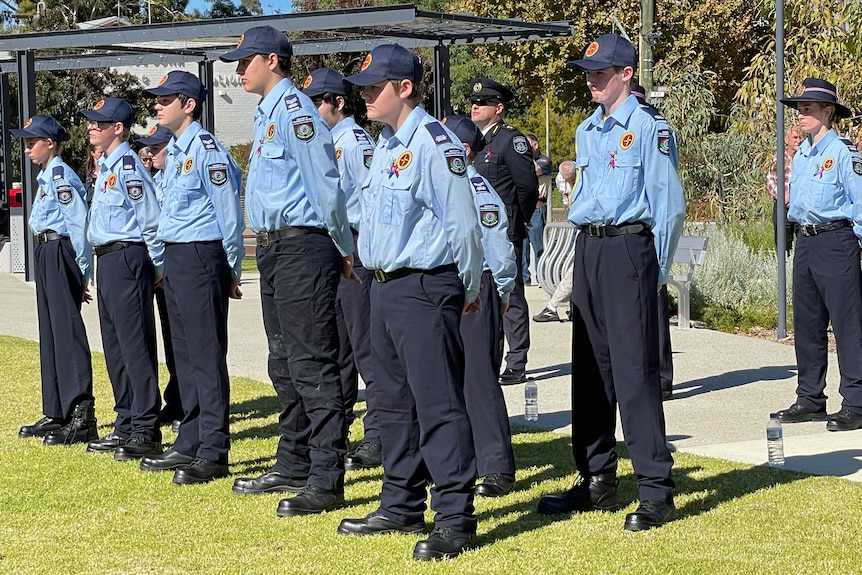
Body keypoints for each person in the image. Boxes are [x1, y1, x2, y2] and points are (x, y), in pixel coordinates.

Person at [337, 44, 484, 561]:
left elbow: (463, 222)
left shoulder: (432, 142)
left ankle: (455, 517)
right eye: (363, 88)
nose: (366, 96)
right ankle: (400, 502)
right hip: (383, 286)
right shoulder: (384, 143)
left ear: (405, 88)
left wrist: (467, 287)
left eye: (376, 87)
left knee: (437, 402)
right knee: (393, 403)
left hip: (425, 285)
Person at [537, 34, 685, 531]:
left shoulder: (648, 128)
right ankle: (596, 477)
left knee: (633, 372)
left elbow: (669, 207)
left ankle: (656, 489)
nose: (592, 78)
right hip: (590, 248)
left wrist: (655, 274)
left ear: (626, 73)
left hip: (629, 250)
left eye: (602, 71)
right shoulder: (586, 130)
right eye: (589, 71)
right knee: (591, 370)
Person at [220, 26, 355, 511]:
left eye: (245, 61)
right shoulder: (266, 115)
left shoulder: (297, 112)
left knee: (312, 362)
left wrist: (342, 249)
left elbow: (325, 187)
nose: (238, 71)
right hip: (276, 248)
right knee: (282, 361)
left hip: (304, 247)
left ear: (272, 61)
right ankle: (294, 460)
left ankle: (325, 478)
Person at [137, 71, 245, 484]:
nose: (158, 105)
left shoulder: (206, 149)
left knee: (206, 353)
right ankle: (190, 439)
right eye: (158, 98)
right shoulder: (179, 151)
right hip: (179, 258)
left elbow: (229, 214)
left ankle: (214, 449)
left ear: (189, 104)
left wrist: (231, 268)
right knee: (184, 356)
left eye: (167, 99)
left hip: (203, 256)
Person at [301, 67, 381, 471]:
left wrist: (360, 254)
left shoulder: (353, 143)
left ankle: (379, 434)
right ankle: (342, 427)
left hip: (358, 251)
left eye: (319, 101)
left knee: (367, 349)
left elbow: (371, 202)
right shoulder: (327, 141)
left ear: (338, 103)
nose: (313, 109)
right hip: (336, 250)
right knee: (340, 348)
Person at [776, 78, 862, 432]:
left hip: (836, 241)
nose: (801, 115)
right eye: (800, 109)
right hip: (807, 242)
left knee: (847, 325)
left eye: (809, 108)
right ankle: (810, 398)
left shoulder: (843, 152)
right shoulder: (805, 153)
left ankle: (856, 402)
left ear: (828, 112)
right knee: (807, 325)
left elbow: (859, 205)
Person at [81, 97, 164, 461]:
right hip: (108, 259)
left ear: (119, 128)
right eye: (90, 122)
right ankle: (126, 420)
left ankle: (145, 427)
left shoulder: (129, 165)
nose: (91, 127)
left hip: (129, 256)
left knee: (135, 345)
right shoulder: (107, 167)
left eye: (100, 122)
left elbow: (150, 218)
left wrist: (158, 266)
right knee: (114, 346)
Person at [442, 114, 518, 498]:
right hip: (446, 284)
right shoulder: (443, 184)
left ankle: (497, 467)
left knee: (478, 379)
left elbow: (499, 249)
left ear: (465, 151)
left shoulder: (477, 188)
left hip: (480, 285)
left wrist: (502, 292)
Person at [14, 115, 96, 446]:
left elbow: (78, 225)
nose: (27, 148)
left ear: (50, 144)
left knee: (66, 332)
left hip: (61, 252)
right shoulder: (47, 176)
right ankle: (57, 409)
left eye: (32, 142)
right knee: (49, 332)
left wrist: (82, 271)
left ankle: (81, 412)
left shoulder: (61, 176)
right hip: (46, 252)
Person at [468, 77, 538, 385]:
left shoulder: (511, 140)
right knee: (483, 296)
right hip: (477, 234)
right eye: (473, 102)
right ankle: (488, 357)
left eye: (482, 103)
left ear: (499, 108)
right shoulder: (474, 142)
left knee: (511, 296)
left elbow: (526, 186)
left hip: (504, 230)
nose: (476, 106)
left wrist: (518, 219)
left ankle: (516, 360)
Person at [137, 124, 183, 431]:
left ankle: (190, 404)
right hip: (164, 266)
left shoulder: (180, 172)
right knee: (172, 336)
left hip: (182, 263)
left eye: (157, 148)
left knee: (187, 338)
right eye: (149, 149)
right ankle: (177, 399)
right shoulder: (158, 179)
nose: (151, 154)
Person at [633, 82, 676, 401]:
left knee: (654, 308)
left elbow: (664, 183)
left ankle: (661, 378)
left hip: (646, 228)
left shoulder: (653, 123)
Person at [533, 160, 576, 323]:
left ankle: (554, 306)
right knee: (572, 266)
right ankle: (555, 306)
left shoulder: (583, 177)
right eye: (568, 179)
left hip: (584, 221)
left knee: (574, 267)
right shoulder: (560, 179)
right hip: (576, 218)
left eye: (571, 179)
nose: (569, 182)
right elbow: (568, 200)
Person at [767, 125, 803, 256]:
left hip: (799, 206)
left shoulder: (805, 158)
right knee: (782, 242)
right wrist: (782, 196)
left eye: (800, 137)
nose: (798, 140)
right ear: (786, 139)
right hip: (782, 206)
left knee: (802, 243)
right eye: (795, 137)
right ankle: (783, 268)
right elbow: (770, 180)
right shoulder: (778, 158)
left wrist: (793, 196)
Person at [523, 133, 552, 285]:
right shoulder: (523, 162)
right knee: (522, 247)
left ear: (535, 145)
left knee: (539, 246)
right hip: (523, 208)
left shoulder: (544, 160)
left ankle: (543, 277)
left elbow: (533, 171)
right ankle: (524, 278)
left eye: (527, 145)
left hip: (537, 207)